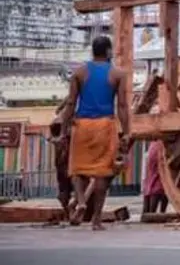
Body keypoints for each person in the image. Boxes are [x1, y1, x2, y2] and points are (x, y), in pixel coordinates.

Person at [61, 35, 130, 230]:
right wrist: (126, 131)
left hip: (82, 125)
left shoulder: (79, 73)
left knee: (76, 168)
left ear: (92, 51)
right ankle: (96, 220)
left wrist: (64, 129)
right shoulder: (117, 74)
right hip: (104, 125)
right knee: (103, 174)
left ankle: (81, 201)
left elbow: (70, 103)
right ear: (108, 51)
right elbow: (123, 106)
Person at [47, 120, 76, 221]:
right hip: (67, 167)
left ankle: (69, 212)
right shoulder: (65, 138)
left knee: (65, 190)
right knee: (70, 189)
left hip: (64, 167)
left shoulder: (58, 139)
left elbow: (50, 136)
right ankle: (69, 211)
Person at [142, 139, 167, 214]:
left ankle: (149, 211)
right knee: (159, 183)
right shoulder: (158, 146)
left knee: (153, 179)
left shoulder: (153, 145)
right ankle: (157, 212)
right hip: (160, 146)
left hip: (156, 146)